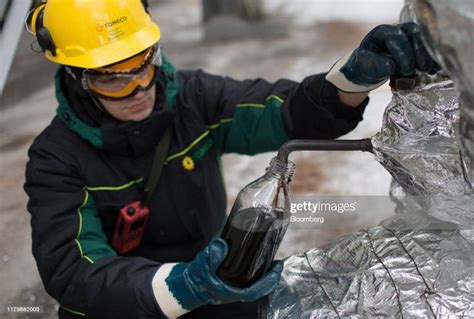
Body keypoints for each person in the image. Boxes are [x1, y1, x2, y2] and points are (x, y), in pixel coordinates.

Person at [23, 0, 439, 318]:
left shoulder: (192, 99)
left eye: (141, 65)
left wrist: (350, 81)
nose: (136, 90)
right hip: (123, 304)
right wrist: (181, 287)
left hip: (208, 279)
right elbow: (74, 272)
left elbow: (283, 114)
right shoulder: (56, 158)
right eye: (112, 79)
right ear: (77, 79)